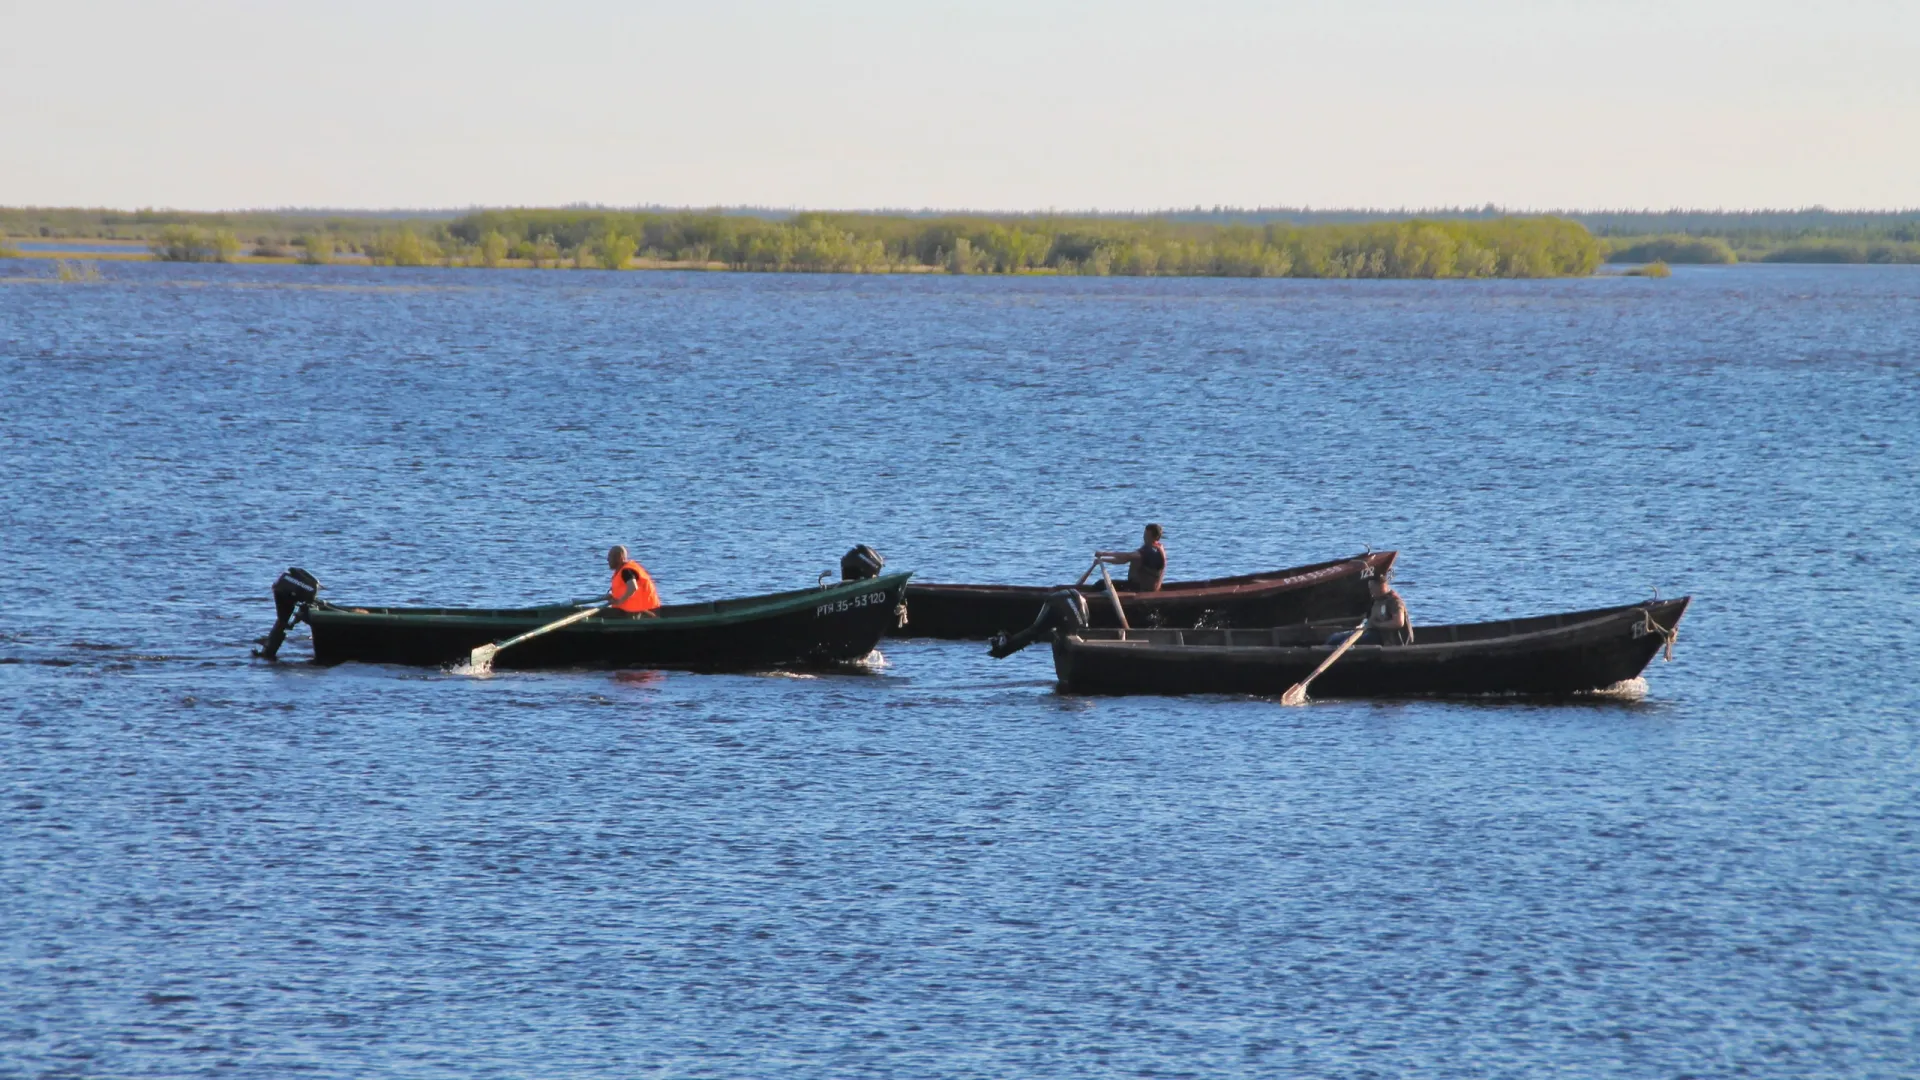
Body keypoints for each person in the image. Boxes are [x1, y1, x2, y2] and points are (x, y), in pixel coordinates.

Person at [1329, 572, 1414, 647]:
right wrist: (1364, 625)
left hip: (1385, 638)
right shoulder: (1376, 600)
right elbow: (1370, 618)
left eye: (1372, 589)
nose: (1371, 592)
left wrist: (1377, 625)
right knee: (1334, 638)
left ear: (1381, 586)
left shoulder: (1394, 601)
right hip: (1371, 631)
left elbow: (1398, 623)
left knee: (1345, 644)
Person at [255, 567, 320, 660]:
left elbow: (293, 569)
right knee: (283, 621)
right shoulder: (309, 587)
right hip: (286, 594)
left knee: (283, 621)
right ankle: (268, 651)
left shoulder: (308, 587)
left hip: (285, 593)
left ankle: (268, 651)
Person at [1095, 523, 1167, 592]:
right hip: (1141, 586)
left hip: (1140, 588)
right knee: (1102, 584)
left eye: (1147, 535)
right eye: (1144, 535)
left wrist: (1103, 553)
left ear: (1155, 537)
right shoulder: (1156, 547)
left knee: (1101, 584)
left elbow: (1127, 556)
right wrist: (1102, 560)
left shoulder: (1151, 551)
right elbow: (1124, 560)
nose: (1144, 537)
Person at [594, 545, 661, 616]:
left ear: (619, 557)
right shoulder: (622, 570)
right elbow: (623, 588)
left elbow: (633, 587)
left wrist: (619, 601)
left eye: (610, 557)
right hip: (636, 610)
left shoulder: (626, 571)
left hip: (645, 612)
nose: (607, 560)